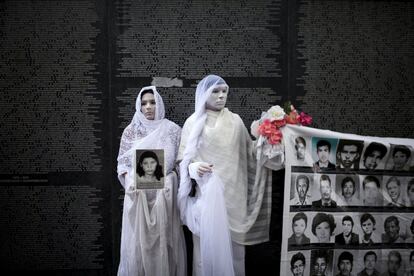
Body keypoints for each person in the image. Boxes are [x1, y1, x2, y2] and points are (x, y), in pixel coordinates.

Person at [177, 75, 274, 276]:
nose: (221, 96)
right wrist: (195, 167)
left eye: (224, 91)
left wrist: (270, 139)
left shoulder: (235, 121)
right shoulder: (193, 122)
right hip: (208, 199)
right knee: (205, 255)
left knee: (236, 255)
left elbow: (250, 153)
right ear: (204, 93)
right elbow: (182, 160)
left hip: (235, 198)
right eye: (215, 91)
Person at [116, 86, 186, 276]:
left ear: (159, 104)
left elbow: (180, 165)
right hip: (138, 200)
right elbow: (122, 165)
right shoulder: (131, 131)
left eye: (152, 102)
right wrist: (130, 180)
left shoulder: (173, 130)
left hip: (165, 200)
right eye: (144, 103)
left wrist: (172, 180)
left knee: (166, 244)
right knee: (138, 245)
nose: (148, 107)